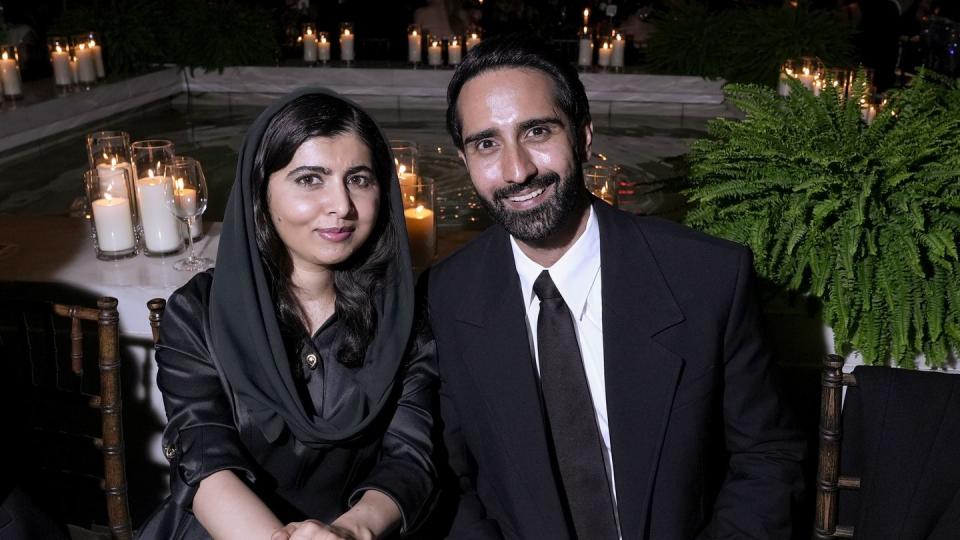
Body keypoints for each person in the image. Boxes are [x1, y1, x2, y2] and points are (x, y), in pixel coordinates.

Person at [425, 35, 807, 539]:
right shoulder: (447, 295)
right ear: (464, 158)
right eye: (487, 143)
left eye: (537, 131)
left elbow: (769, 459)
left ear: (583, 136)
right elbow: (451, 480)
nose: (516, 171)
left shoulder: (707, 277)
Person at [137, 89, 436, 540]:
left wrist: (352, 531)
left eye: (358, 179)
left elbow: (411, 456)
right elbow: (204, 459)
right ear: (261, 191)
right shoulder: (198, 312)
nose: (341, 206)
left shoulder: (402, 314)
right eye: (310, 179)